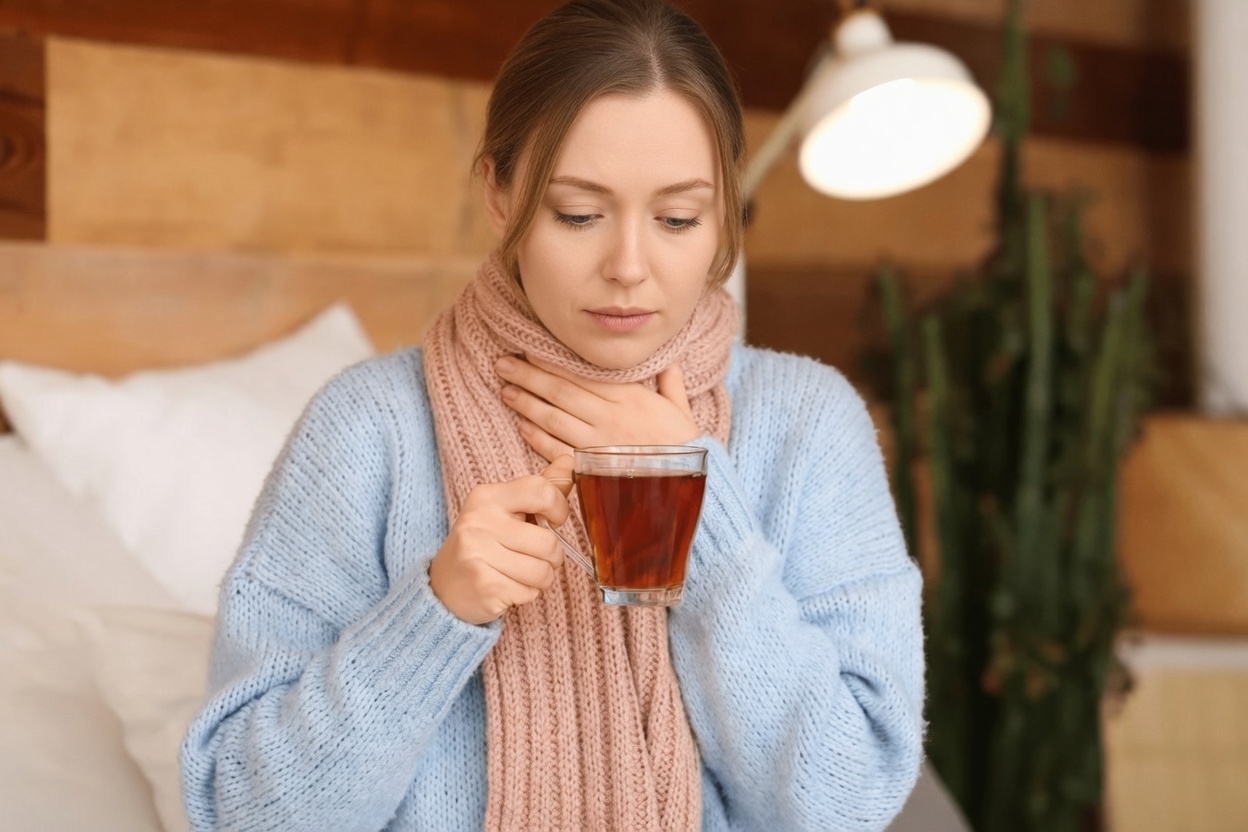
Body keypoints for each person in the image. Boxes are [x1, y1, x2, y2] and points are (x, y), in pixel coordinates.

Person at [179, 0, 925, 829]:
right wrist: (435, 612)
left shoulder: (810, 425)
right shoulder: (368, 429)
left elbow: (849, 800)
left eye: (679, 218)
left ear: (723, 215)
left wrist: (702, 520)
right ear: (499, 194)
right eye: (579, 213)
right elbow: (246, 810)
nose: (629, 268)